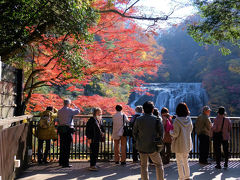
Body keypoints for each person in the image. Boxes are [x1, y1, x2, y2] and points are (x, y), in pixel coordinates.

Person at [133, 101, 164, 180]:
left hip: (141, 146)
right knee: (159, 165)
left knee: (143, 166)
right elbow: (161, 133)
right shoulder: (157, 119)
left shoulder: (138, 119)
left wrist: (138, 141)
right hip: (153, 146)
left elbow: (134, 132)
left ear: (143, 110)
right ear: (153, 110)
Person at [170, 102, 193, 180]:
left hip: (179, 144)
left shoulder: (177, 120)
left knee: (179, 162)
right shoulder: (189, 119)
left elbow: (176, 134)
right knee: (186, 161)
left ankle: (181, 177)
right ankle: (187, 177)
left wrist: (170, 132)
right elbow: (191, 129)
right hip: (187, 143)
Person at [57, 99, 80, 168]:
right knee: (67, 146)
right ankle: (66, 163)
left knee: (62, 146)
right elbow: (78, 111)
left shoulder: (59, 111)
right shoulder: (69, 110)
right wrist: (75, 106)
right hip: (68, 129)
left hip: (61, 129)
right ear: (69, 104)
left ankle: (61, 161)